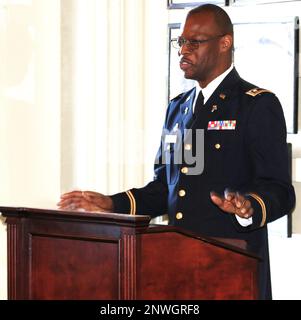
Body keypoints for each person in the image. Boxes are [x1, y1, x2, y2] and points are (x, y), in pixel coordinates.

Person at [58, 4, 295, 300]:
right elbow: (166, 190)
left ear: (225, 43)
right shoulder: (178, 109)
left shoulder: (256, 105)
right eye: (181, 41)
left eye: (194, 42)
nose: (183, 49)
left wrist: (249, 207)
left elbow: (281, 190)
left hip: (230, 270)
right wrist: (111, 204)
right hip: (177, 268)